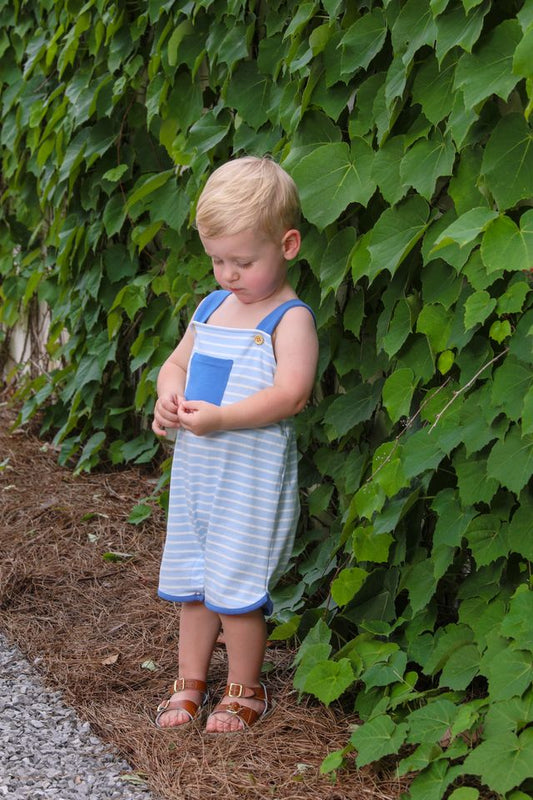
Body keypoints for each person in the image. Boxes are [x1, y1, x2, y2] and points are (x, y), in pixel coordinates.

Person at [152, 156, 318, 733]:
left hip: (250, 483)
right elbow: (176, 365)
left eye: (243, 262)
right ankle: (190, 681)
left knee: (237, 587)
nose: (228, 274)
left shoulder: (288, 319)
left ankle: (245, 687)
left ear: (287, 245)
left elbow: (292, 394)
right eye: (217, 260)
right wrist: (168, 397)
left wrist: (222, 419)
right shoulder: (211, 308)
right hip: (199, 479)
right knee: (195, 583)